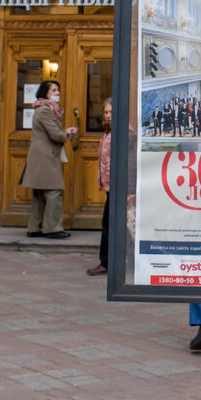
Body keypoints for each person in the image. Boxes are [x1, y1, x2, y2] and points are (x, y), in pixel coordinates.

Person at [20, 80, 77, 238]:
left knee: (40, 193)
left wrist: (64, 131)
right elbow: (55, 135)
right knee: (54, 192)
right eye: (54, 91)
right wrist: (66, 132)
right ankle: (53, 229)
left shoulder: (43, 108)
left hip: (41, 158)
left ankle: (35, 228)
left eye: (58, 90)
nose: (57, 93)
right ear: (45, 93)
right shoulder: (45, 110)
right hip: (46, 158)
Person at [87, 97, 113, 275]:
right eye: (106, 112)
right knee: (108, 224)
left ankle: (106, 263)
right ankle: (107, 262)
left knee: (109, 224)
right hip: (109, 185)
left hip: (117, 186)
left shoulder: (124, 131)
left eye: (112, 112)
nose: (109, 115)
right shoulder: (108, 132)